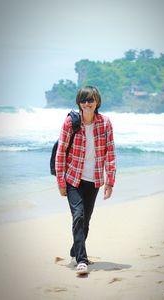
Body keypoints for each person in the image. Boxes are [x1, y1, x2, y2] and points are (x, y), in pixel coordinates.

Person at [55, 85, 116, 275]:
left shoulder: (105, 123)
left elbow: (111, 154)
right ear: (78, 103)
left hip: (94, 179)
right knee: (78, 216)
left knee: (86, 220)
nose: (87, 103)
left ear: (97, 101)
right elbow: (61, 153)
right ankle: (82, 260)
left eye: (90, 100)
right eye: (83, 100)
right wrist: (61, 183)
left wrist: (110, 182)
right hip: (73, 177)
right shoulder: (70, 122)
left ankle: (75, 251)